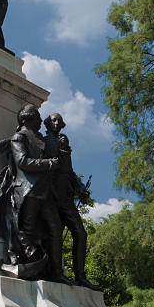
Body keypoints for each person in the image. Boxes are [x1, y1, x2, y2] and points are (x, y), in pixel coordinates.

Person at [0, 105, 70, 283]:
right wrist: (48, 164)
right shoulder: (19, 137)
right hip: (28, 190)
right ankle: (27, 266)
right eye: (37, 117)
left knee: (56, 228)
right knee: (27, 230)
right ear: (27, 119)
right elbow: (22, 162)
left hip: (45, 190)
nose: (41, 121)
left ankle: (56, 272)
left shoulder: (39, 138)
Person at [42, 112, 98, 289]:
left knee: (80, 233)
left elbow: (70, 172)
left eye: (59, 121)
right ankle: (56, 272)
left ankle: (81, 276)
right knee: (55, 233)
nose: (57, 123)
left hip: (67, 197)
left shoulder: (64, 143)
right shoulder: (43, 142)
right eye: (53, 120)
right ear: (47, 124)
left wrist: (80, 187)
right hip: (51, 196)